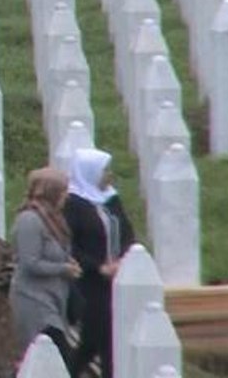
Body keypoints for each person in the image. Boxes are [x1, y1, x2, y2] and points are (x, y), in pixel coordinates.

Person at [64, 148, 136, 378]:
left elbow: (126, 232)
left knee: (104, 339)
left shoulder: (111, 200)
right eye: (105, 170)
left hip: (116, 278)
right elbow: (71, 246)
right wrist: (99, 267)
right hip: (89, 282)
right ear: (90, 172)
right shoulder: (73, 205)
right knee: (99, 335)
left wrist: (123, 259)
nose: (109, 175)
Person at [10, 167, 81, 371]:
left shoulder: (53, 219)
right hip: (33, 300)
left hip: (53, 298)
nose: (66, 196)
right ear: (51, 192)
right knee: (54, 354)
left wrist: (69, 262)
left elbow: (56, 251)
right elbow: (30, 262)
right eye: (62, 191)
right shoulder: (30, 221)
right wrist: (63, 269)